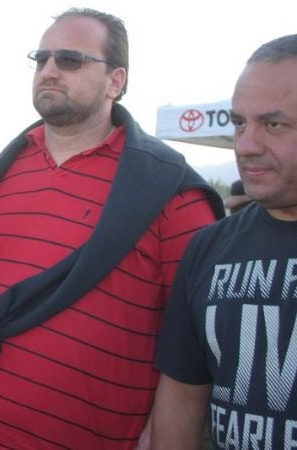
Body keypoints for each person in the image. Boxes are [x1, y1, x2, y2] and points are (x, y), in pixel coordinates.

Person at [0, 8, 225, 449]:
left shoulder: (170, 191)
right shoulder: (5, 171)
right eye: (42, 59)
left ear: (116, 80)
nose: (50, 70)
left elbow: (195, 346)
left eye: (70, 60)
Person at [152, 34, 297, 449]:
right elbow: (182, 394)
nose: (246, 145)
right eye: (238, 123)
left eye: (273, 124)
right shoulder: (208, 248)